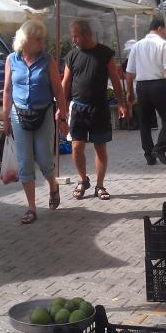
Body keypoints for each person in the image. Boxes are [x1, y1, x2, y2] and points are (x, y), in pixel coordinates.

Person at [3, 19, 69, 224]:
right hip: (19, 114)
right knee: (25, 161)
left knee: (45, 159)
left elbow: (58, 90)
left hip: (44, 114)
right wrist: (5, 117)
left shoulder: (47, 61)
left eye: (42, 39)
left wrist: (63, 116)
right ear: (26, 40)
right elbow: (7, 90)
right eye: (38, 39)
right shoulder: (11, 60)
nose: (42, 42)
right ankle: (31, 208)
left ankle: (53, 186)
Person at [61, 19, 128, 201]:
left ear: (87, 34)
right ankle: (83, 180)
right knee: (76, 147)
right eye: (72, 36)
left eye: (76, 36)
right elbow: (65, 83)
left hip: (99, 108)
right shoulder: (72, 55)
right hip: (78, 108)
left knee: (100, 147)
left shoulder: (105, 53)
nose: (73, 40)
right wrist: (61, 107)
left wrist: (121, 103)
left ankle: (100, 185)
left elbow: (115, 80)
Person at [125, 17, 166, 166]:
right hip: (159, 85)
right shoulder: (163, 44)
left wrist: (129, 91)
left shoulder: (137, 46)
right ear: (160, 28)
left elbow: (129, 72)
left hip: (142, 87)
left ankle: (149, 155)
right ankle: (160, 149)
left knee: (145, 122)